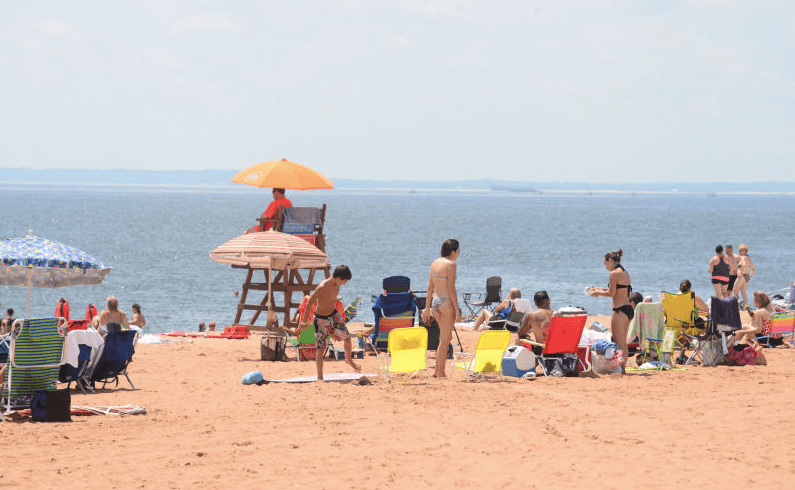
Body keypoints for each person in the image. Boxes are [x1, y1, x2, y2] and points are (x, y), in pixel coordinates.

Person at [299, 265, 360, 381]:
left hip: (334, 315)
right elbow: (310, 302)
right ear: (338, 278)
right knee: (321, 348)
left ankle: (349, 360)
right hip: (321, 319)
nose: (345, 283)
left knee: (347, 338)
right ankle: (320, 377)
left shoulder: (337, 284)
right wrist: (304, 321)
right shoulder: (322, 286)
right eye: (345, 281)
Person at [421, 239, 461, 378]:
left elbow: (430, 288)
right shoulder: (451, 265)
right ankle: (440, 373)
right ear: (453, 251)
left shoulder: (435, 263)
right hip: (446, 303)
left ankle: (437, 371)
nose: (459, 253)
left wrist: (426, 308)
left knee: (446, 338)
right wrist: (457, 309)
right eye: (458, 250)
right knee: (445, 340)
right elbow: (451, 289)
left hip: (435, 302)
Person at [588, 249, 632, 374]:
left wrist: (597, 293)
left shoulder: (613, 274)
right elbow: (617, 289)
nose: (605, 267)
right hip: (628, 308)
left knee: (619, 341)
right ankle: (623, 369)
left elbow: (611, 293)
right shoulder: (624, 272)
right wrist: (598, 288)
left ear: (611, 261)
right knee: (623, 341)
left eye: (605, 263)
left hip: (619, 309)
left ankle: (621, 369)